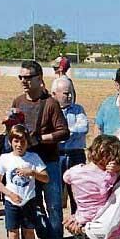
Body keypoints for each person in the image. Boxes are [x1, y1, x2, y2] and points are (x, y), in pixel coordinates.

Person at [10, 61, 70, 239]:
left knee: (53, 205)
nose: (24, 81)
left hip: (48, 162)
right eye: (21, 77)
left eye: (28, 77)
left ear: (39, 79)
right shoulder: (18, 101)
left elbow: (63, 132)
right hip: (26, 163)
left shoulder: (50, 103)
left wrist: (40, 138)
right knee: (32, 204)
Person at [0, 124, 48, 239]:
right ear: (11, 142)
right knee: (13, 233)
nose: (19, 145)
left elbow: (45, 177)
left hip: (29, 200)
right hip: (12, 202)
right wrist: (9, 194)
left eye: (22, 142)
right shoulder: (5, 158)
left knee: (29, 232)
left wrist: (32, 172)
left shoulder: (33, 158)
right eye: (15, 141)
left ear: (27, 143)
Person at [53, 76, 89, 214]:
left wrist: (63, 133)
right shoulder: (51, 110)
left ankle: (78, 226)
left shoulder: (78, 109)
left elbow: (83, 127)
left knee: (78, 193)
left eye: (71, 93)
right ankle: (57, 228)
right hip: (57, 156)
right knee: (56, 194)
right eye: (65, 93)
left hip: (76, 155)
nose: (69, 96)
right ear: (54, 94)